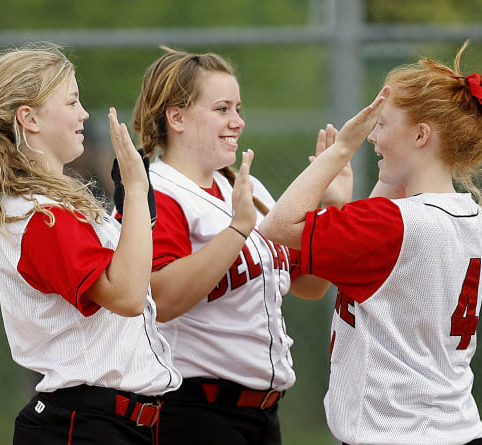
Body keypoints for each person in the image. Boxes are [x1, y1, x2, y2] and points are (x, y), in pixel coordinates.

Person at [259, 40, 482, 445]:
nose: (371, 137)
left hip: (400, 436)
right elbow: (380, 253)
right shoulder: (467, 215)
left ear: (421, 135)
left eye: (381, 124)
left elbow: (277, 226)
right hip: (450, 430)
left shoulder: (395, 225)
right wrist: (341, 202)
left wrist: (340, 149)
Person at [0, 42, 181, 445]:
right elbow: (126, 296)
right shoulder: (43, 216)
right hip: (85, 425)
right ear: (29, 118)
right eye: (71, 101)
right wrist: (139, 194)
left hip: (108, 421)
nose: (83, 113)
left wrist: (131, 216)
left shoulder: (56, 207)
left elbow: (120, 281)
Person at [113, 47, 349, 445]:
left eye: (238, 108)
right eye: (222, 109)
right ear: (177, 117)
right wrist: (238, 230)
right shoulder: (158, 194)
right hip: (193, 413)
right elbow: (161, 300)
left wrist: (334, 209)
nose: (237, 121)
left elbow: (309, 285)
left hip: (261, 414)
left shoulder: (246, 189)